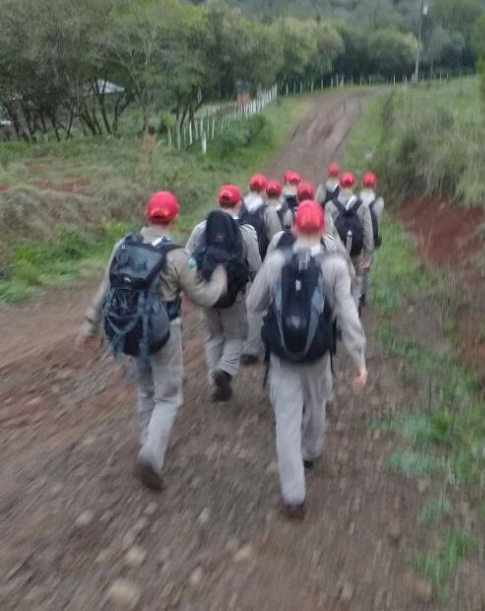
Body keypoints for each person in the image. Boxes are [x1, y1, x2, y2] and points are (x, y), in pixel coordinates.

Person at [75, 191, 227, 492]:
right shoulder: (178, 256)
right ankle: (151, 456)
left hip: (129, 330)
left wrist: (89, 326)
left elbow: (105, 288)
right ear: (174, 218)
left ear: (147, 215)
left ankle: (147, 442)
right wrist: (220, 279)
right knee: (168, 396)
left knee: (145, 391)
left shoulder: (122, 245)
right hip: (164, 333)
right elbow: (203, 297)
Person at [247, 200, 367, 519]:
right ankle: (311, 452)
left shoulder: (275, 261)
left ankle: (294, 497)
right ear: (324, 229)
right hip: (317, 354)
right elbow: (348, 314)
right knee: (316, 403)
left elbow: (253, 303)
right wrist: (359, 359)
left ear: (295, 227)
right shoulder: (335, 267)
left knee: (286, 421)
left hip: (282, 357)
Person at [188, 185, 261, 397]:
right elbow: (255, 267)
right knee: (235, 335)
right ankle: (225, 371)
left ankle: (214, 382)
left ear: (219, 202)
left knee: (213, 336)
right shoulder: (246, 232)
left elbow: (187, 260)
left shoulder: (200, 229)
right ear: (239, 203)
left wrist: (194, 286)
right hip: (234, 295)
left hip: (206, 292)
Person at [325, 172, 374, 308]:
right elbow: (368, 232)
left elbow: (328, 232)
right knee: (356, 283)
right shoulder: (362, 206)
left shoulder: (330, 205)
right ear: (354, 185)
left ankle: (337, 314)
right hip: (356, 253)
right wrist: (368, 256)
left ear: (340, 185)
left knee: (336, 285)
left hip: (336, 254)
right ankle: (354, 311)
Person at [359, 171, 384, 308]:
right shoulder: (379, 203)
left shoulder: (355, 199)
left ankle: (352, 292)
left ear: (362, 184)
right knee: (365, 267)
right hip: (371, 239)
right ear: (374, 185)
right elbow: (378, 222)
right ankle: (362, 296)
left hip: (357, 237)